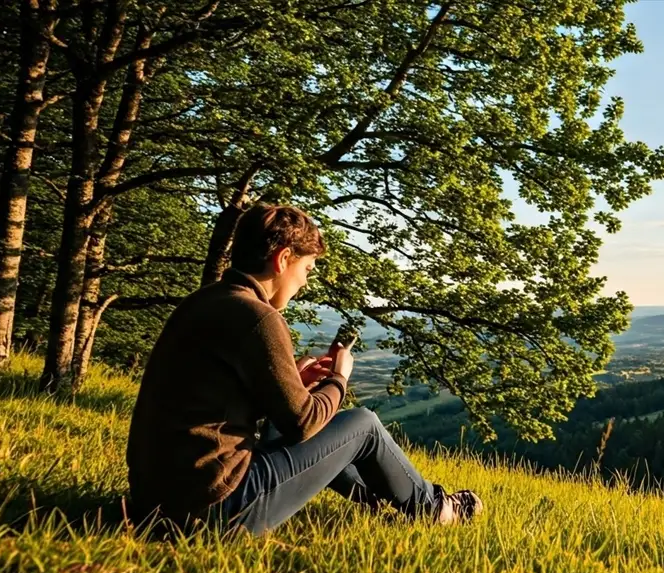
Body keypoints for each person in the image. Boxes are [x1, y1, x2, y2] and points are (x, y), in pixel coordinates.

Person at [125, 204, 481, 535]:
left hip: (153, 504)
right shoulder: (259, 317)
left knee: (289, 428)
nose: (306, 282)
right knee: (363, 425)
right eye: (307, 269)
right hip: (216, 509)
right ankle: (435, 508)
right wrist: (339, 378)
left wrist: (292, 381)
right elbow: (302, 423)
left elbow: (215, 403)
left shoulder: (203, 302)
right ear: (283, 259)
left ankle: (381, 503)